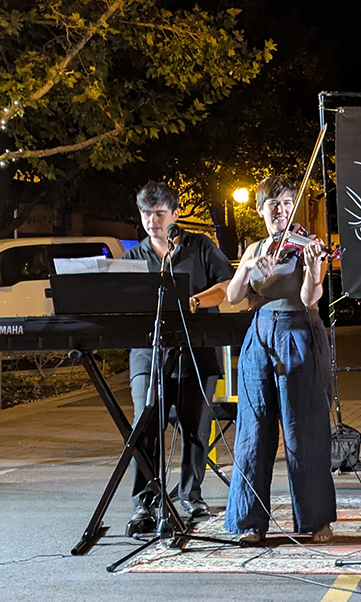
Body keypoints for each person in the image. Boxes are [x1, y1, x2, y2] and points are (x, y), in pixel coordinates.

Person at [223, 176, 336, 546]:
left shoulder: (307, 246)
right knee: (253, 429)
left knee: (305, 428)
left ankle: (316, 519)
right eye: (273, 204)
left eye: (287, 203)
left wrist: (314, 269)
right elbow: (233, 296)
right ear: (260, 209)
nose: (281, 210)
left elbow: (309, 298)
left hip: (298, 331)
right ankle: (249, 521)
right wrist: (248, 269)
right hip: (259, 335)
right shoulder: (255, 248)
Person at [123, 181, 234, 536]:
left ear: (175, 213)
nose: (152, 221)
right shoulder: (133, 258)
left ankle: (190, 495)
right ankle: (145, 501)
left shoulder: (200, 246)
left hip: (196, 350)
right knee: (145, 426)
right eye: (146, 214)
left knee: (195, 426)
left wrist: (195, 301)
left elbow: (227, 287)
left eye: (159, 214)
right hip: (149, 355)